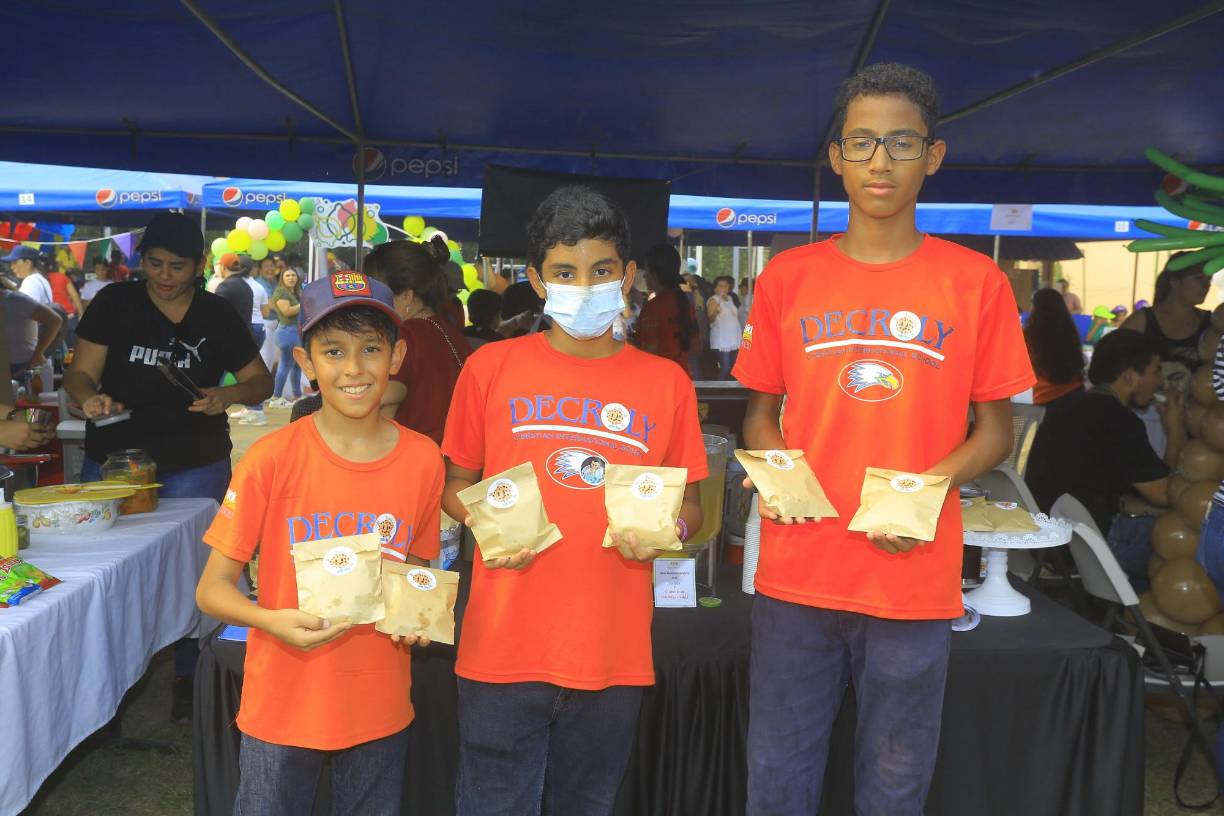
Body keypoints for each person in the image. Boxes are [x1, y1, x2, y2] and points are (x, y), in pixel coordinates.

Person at [733, 63, 1034, 815]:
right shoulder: (787, 279)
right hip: (798, 572)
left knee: (897, 784)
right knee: (776, 776)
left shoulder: (976, 284)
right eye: (861, 142)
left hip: (913, 576)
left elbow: (997, 430)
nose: (879, 161)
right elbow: (759, 413)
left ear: (933, 155)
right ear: (834, 155)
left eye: (900, 142)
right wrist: (776, 466)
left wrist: (930, 488)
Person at [440, 185, 707, 816]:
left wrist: (668, 527)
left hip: (611, 651)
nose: (583, 287)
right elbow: (453, 486)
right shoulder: (489, 369)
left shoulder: (665, 382)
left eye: (601, 271)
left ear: (628, 275)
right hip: (502, 647)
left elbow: (692, 506)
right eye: (565, 272)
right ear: (536, 280)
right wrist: (490, 518)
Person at [196, 272, 443, 816]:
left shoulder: (424, 459)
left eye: (370, 349)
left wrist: (421, 618)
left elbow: (420, 569)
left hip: (380, 703)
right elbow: (212, 591)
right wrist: (271, 619)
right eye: (333, 351)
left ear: (396, 356)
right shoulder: (270, 460)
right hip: (284, 703)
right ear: (307, 364)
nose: (354, 369)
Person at [65, 212, 272, 722]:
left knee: (200, 573)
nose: (163, 275)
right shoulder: (115, 303)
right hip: (116, 459)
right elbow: (79, 375)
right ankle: (102, 683)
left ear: (199, 266)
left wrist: (224, 394)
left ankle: (191, 677)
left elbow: (261, 382)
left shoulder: (218, 314)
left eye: (176, 266)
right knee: (103, 570)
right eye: (154, 263)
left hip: (195, 462)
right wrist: (90, 400)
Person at [1026, 330, 1182, 582]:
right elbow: (1166, 494)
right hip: (1082, 548)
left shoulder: (1066, 406)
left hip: (1045, 540)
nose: (1161, 382)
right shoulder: (1120, 421)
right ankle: (1136, 615)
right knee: (1181, 532)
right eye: (1155, 371)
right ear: (1131, 376)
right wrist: (1175, 431)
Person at [365, 237, 471, 445]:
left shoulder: (404, 336)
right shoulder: (450, 332)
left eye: (376, 291)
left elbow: (382, 407)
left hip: (412, 463)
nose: (370, 299)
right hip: (448, 460)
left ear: (406, 296)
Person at [1120, 254, 1212, 378]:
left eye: (1209, 279)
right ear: (1174, 282)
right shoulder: (1140, 322)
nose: (1206, 285)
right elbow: (1116, 366)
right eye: (1198, 278)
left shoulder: (1212, 323)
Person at [215, 254, 272, 426]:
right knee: (245, 377)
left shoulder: (225, 287)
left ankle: (254, 411)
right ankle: (255, 410)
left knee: (216, 376)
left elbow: (214, 315)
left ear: (223, 267)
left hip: (230, 339)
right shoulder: (244, 285)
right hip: (245, 335)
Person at [636, 243, 697, 373]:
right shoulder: (685, 302)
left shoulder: (653, 308)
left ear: (655, 275)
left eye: (646, 271)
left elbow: (649, 353)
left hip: (660, 380)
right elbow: (697, 347)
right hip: (682, 376)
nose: (644, 276)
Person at [1023, 288, 1085, 405]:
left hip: (1045, 396)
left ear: (1035, 308)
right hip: (1076, 393)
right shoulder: (1069, 330)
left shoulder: (1028, 334)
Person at [268, 266, 303, 407]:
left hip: (296, 331)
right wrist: (303, 304)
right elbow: (287, 311)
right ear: (282, 278)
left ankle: (297, 396)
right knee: (286, 363)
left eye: (293, 275)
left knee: (298, 365)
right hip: (287, 331)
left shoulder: (294, 292)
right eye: (287, 275)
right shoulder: (281, 292)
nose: (291, 278)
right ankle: (276, 397)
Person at [707, 275, 742, 378]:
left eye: (726, 285)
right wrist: (716, 311)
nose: (724, 288)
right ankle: (717, 390)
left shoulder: (730, 298)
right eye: (721, 286)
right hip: (722, 339)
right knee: (725, 366)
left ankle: (730, 389)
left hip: (734, 338)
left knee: (734, 366)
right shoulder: (713, 299)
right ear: (715, 288)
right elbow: (710, 319)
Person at [256, 256, 281, 374]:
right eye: (266, 266)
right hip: (265, 324)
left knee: (272, 359)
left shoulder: (272, 281)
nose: (270, 269)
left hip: (273, 324)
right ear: (260, 269)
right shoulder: (261, 283)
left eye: (272, 265)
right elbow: (271, 304)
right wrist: (287, 315)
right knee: (265, 358)